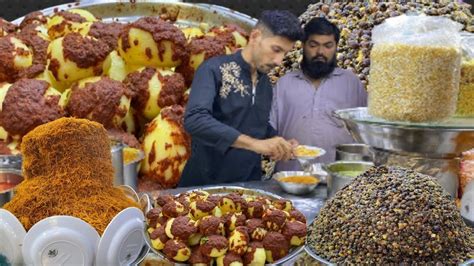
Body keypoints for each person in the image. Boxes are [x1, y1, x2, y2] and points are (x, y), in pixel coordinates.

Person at [179, 10, 303, 187]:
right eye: (276, 49)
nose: (279, 60)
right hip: (204, 188)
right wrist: (256, 145)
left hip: (248, 187)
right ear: (255, 36)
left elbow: (251, 122)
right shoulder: (213, 70)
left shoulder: (265, 84)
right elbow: (195, 119)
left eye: (284, 53)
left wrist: (277, 141)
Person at [270, 17, 367, 171]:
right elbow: (267, 130)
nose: (320, 52)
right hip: (291, 176)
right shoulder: (285, 84)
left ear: (336, 47)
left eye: (328, 46)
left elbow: (367, 132)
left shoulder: (351, 82)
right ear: (303, 45)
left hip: (339, 177)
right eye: (313, 45)